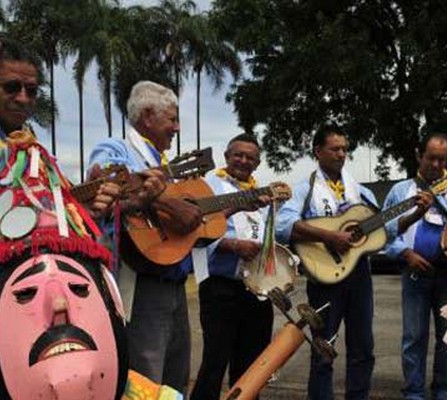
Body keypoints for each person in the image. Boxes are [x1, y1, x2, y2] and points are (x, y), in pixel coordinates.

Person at [0, 36, 129, 398]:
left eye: (31, 89)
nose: (23, 98)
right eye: (11, 87)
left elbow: (50, 219)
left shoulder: (36, 151)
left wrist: (87, 209)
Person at [88, 80, 204, 393]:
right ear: (148, 115)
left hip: (177, 284)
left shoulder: (167, 164)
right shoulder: (116, 149)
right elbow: (105, 185)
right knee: (146, 380)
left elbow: (185, 218)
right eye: (172, 119)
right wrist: (162, 200)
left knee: (176, 379)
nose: (177, 128)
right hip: (143, 285)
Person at [383, 133, 447, 400]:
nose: (437, 164)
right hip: (415, 272)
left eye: (442, 159)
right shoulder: (401, 191)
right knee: (413, 338)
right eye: (431, 158)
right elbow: (385, 232)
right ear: (419, 156)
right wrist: (406, 253)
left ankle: (444, 391)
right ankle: (414, 393)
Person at [276, 125, 376, 400]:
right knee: (323, 348)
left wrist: (414, 213)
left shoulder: (360, 192)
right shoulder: (303, 189)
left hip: (359, 277)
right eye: (335, 148)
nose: (341, 154)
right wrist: (328, 236)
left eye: (345, 149)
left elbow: (384, 232)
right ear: (317, 151)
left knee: (363, 348)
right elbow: (283, 226)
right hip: (324, 278)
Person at [190, 133, 274, 400]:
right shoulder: (208, 187)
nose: (243, 161)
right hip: (220, 287)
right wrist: (234, 246)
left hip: (257, 289)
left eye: (250, 157)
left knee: (252, 366)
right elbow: (197, 231)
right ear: (226, 156)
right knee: (215, 361)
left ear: (257, 164)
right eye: (238, 155)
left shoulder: (261, 193)